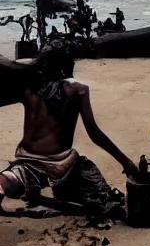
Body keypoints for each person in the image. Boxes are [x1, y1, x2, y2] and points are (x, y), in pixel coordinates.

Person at [0, 48, 135, 216]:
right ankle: (42, 194)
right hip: (62, 163)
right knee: (100, 194)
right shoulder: (79, 90)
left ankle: (27, 188)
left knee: (11, 180)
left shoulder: (29, 89)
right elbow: (94, 133)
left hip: (28, 161)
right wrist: (125, 162)